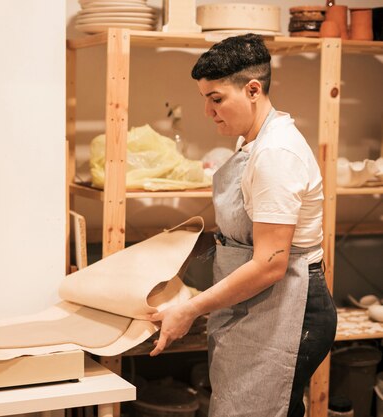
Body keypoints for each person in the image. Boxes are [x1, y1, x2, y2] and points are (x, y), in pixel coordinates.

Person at [148, 34, 337, 417]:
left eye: (216, 99)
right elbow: (243, 234)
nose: (208, 111)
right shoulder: (253, 141)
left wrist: (190, 310)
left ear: (253, 90)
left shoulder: (275, 154)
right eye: (205, 99)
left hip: (287, 307)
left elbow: (270, 263)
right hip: (258, 304)